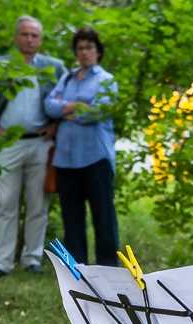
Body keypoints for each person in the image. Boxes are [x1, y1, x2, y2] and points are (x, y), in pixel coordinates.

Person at [0, 15, 67, 279]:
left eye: (35, 35)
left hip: (41, 144)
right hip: (7, 143)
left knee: (37, 205)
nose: (30, 39)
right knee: (5, 204)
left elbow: (70, 98)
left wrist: (56, 124)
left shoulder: (53, 68)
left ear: (41, 40)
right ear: (15, 37)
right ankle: (1, 263)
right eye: (25, 34)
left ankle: (32, 259)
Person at [44, 26, 120, 266]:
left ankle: (108, 267)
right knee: (72, 218)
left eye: (89, 47)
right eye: (80, 48)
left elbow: (96, 113)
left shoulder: (106, 80)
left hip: (95, 157)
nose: (84, 52)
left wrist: (67, 109)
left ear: (98, 52)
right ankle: (77, 271)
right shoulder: (67, 77)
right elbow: (49, 106)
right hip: (65, 159)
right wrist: (77, 105)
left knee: (103, 216)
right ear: (75, 52)